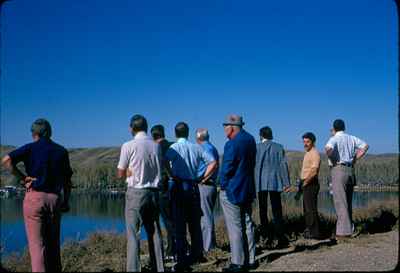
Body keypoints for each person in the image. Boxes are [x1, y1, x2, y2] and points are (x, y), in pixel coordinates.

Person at [1, 118, 73, 272]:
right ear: (50, 132)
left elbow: (6, 160)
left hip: (34, 198)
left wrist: (22, 177)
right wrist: (66, 201)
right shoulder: (61, 151)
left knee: (37, 247)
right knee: (53, 245)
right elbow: (67, 180)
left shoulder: (30, 148)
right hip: (54, 199)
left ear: (34, 134)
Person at [165, 122, 218, 271]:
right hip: (193, 186)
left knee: (179, 224)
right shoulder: (196, 147)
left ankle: (182, 259)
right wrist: (201, 177)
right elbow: (213, 163)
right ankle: (197, 254)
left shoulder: (173, 148)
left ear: (175, 133)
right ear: (188, 133)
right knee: (195, 223)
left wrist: (171, 174)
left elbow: (164, 161)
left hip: (178, 185)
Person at [117, 115, 164, 272]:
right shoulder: (156, 146)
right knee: (155, 232)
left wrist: (129, 173)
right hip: (154, 192)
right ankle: (159, 267)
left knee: (133, 234)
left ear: (132, 128)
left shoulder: (128, 145)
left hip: (136, 192)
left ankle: (134, 269)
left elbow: (120, 172)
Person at [219, 115, 258, 272]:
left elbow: (227, 168)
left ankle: (237, 263)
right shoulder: (250, 139)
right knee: (247, 224)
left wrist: (222, 185)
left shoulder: (232, 143)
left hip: (232, 190)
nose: (224, 129)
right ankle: (251, 259)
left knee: (235, 227)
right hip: (247, 187)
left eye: (225, 126)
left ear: (232, 127)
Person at [325, 119, 369, 239]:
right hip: (350, 170)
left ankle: (343, 233)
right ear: (344, 127)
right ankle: (350, 228)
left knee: (340, 202)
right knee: (348, 201)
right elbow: (365, 146)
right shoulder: (352, 138)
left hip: (338, 169)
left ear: (334, 128)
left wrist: (333, 158)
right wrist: (355, 159)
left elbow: (328, 149)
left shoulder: (334, 138)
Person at [254, 126, 291, 249]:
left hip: (260, 182)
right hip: (275, 182)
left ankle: (266, 237)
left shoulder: (257, 147)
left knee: (263, 211)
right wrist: (286, 183)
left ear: (261, 135)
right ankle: (281, 238)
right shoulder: (279, 147)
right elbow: (283, 165)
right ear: (271, 134)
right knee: (277, 210)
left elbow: (252, 165)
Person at [150, 124, 176, 261]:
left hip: (160, 186)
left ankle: (169, 250)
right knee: (173, 219)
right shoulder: (173, 145)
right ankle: (176, 247)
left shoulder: (155, 148)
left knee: (161, 221)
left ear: (153, 136)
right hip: (176, 185)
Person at [195, 128, 220, 253]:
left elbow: (214, 164)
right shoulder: (212, 147)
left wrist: (203, 179)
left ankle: (208, 247)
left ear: (198, 138)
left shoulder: (204, 149)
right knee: (208, 215)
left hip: (205, 186)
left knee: (205, 217)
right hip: (211, 186)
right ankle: (211, 244)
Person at [300, 132, 321, 240]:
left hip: (311, 183)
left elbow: (314, 171)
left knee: (311, 209)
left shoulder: (314, 153)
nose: (305, 144)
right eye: (304, 141)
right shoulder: (308, 153)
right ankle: (310, 231)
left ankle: (315, 233)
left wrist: (305, 182)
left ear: (313, 142)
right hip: (306, 183)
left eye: (307, 141)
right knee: (307, 210)